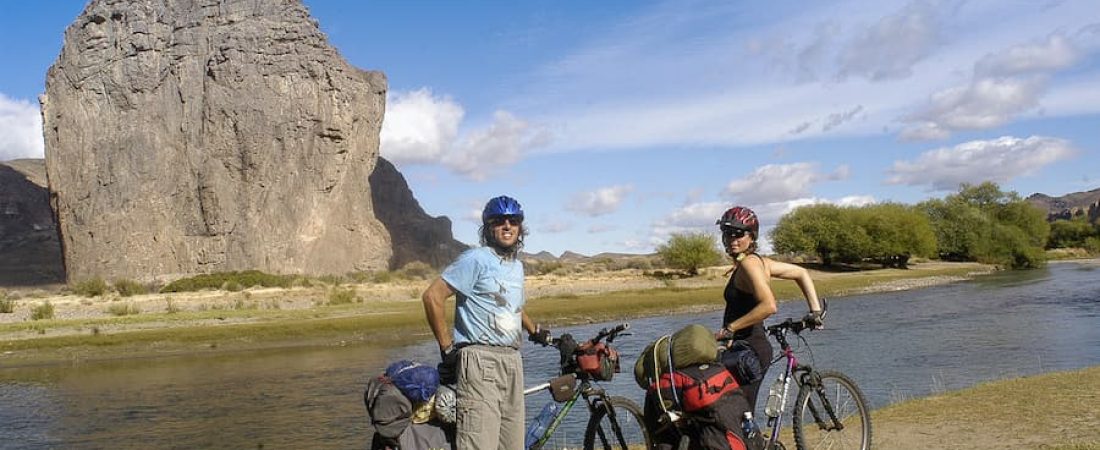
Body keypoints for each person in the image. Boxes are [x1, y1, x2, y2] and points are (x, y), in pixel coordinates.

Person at [421, 195, 551, 450]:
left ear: (520, 227)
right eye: (499, 221)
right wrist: (447, 349)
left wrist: (535, 330)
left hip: (512, 361)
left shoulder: (516, 267)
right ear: (488, 228)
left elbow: (513, 307)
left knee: (513, 445)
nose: (507, 225)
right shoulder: (475, 259)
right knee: (479, 443)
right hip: (480, 361)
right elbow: (432, 296)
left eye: (513, 221)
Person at [714, 206, 823, 411]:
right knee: (733, 410)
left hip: (749, 350)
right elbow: (801, 273)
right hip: (747, 347)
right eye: (727, 233)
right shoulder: (759, 262)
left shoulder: (749, 264)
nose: (732, 239)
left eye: (739, 234)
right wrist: (814, 311)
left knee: (739, 414)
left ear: (751, 236)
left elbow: (769, 305)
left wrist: (730, 329)